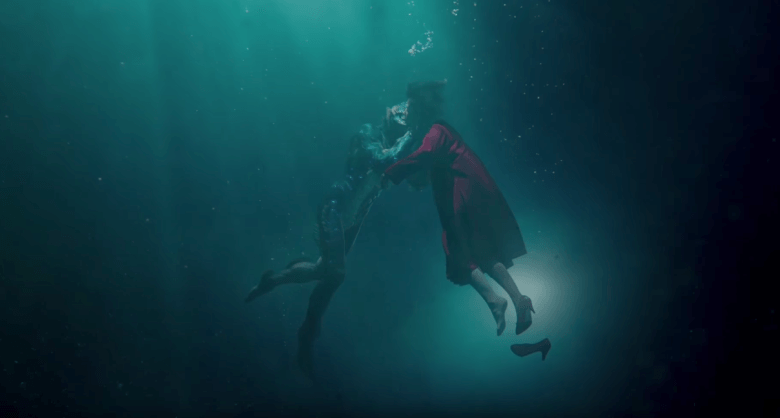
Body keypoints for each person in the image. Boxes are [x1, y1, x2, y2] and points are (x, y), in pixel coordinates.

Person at [244, 101, 415, 378]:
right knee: (335, 274)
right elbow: (382, 161)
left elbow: (396, 171)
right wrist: (410, 136)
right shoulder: (368, 133)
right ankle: (307, 335)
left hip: (355, 215)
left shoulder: (395, 144)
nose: (404, 118)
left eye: (408, 117)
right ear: (388, 114)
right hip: (335, 207)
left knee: (323, 270)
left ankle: (273, 281)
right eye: (401, 113)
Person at [381, 80, 538, 338]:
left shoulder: (436, 130)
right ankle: (518, 299)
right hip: (469, 185)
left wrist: (392, 173)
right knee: (481, 249)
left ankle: (494, 301)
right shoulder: (438, 131)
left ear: (419, 109)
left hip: (461, 187)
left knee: (456, 247)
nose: (405, 114)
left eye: (409, 109)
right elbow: (425, 163)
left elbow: (425, 156)